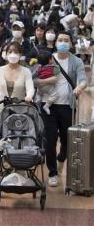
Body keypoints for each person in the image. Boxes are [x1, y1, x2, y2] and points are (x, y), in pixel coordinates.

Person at [36, 31, 87, 187]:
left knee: (67, 138)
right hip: (48, 106)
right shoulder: (46, 58)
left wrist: (79, 87)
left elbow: (83, 79)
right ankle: (52, 172)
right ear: (56, 42)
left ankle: (61, 159)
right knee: (49, 139)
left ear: (71, 43)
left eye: (66, 40)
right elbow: (34, 78)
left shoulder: (76, 61)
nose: (63, 42)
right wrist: (46, 82)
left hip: (67, 106)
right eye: (60, 40)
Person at [0, 41, 35, 113]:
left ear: (20, 55)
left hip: (20, 110)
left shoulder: (26, 71)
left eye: (16, 52)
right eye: (10, 52)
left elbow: (30, 87)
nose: (12, 54)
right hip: (2, 109)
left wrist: (29, 96)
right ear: (6, 54)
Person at [33, 50, 61, 115]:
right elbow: (57, 76)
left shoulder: (39, 68)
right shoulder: (55, 67)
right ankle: (46, 106)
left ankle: (37, 103)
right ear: (50, 60)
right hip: (48, 87)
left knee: (39, 94)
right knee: (55, 95)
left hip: (39, 87)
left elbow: (33, 75)